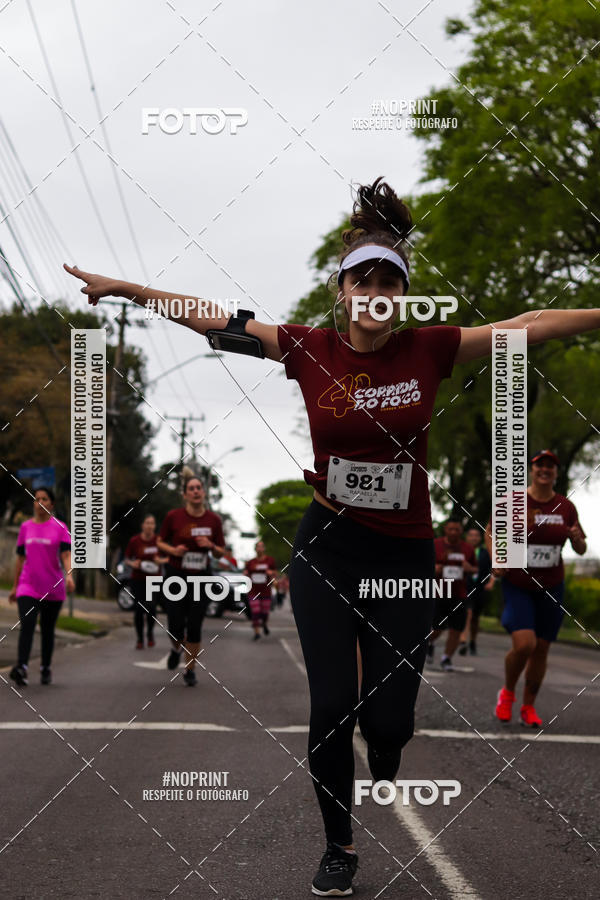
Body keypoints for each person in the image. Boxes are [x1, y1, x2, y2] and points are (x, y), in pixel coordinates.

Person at [64, 176, 600, 896]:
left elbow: (529, 322)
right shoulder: (307, 350)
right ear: (342, 290)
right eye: (362, 280)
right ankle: (339, 845)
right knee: (328, 708)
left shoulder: (431, 350)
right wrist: (126, 288)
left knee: (391, 722)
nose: (375, 293)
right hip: (327, 551)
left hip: (404, 556)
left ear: (400, 296)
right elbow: (209, 316)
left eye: (389, 282)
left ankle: (385, 747)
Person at [486, 450, 587, 728]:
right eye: (540, 466)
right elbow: (492, 531)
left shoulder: (566, 506)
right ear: (532, 470)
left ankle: (528, 707)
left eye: (550, 467)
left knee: (541, 648)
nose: (545, 470)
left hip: (552, 586)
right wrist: (497, 558)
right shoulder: (515, 502)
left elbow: (580, 547)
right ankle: (506, 694)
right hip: (519, 584)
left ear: (555, 472)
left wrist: (577, 539)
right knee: (525, 644)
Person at [156, 476, 225, 686]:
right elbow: (160, 542)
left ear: (204, 492)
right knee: (175, 625)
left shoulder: (214, 520)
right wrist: (174, 550)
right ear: (185, 494)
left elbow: (221, 553)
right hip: (177, 575)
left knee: (195, 625)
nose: (196, 491)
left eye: (199, 488)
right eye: (191, 489)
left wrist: (211, 546)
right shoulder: (174, 517)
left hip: (202, 577)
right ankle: (176, 649)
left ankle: (190, 670)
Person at [8, 487, 74, 686]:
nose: (40, 503)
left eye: (44, 499)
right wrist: (14, 586)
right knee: (27, 626)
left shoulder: (60, 528)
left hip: (53, 589)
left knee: (47, 630)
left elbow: (65, 555)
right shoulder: (25, 527)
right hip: (28, 586)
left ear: (51, 504)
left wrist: (69, 575)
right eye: (36, 499)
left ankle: (46, 667)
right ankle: (22, 668)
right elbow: (20, 558)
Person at [428, 518, 477, 671]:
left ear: (461, 532)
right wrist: (436, 568)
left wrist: (469, 568)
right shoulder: (435, 545)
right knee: (437, 628)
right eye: (451, 529)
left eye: (457, 529)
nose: (454, 532)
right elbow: (424, 566)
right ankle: (429, 643)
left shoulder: (467, 549)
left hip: (459, 594)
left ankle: (446, 659)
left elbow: (476, 569)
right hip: (439, 593)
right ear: (445, 530)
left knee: (456, 629)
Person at [124, 514, 168, 649]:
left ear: (155, 526)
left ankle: (149, 633)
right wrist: (133, 563)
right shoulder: (135, 541)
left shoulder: (159, 541)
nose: (149, 526)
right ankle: (139, 638)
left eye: (152, 523)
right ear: (142, 525)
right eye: (147, 523)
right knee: (138, 609)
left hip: (154, 580)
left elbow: (169, 558)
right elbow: (127, 558)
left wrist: (159, 561)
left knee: (151, 607)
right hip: (137, 579)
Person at [458, 527, 494, 656]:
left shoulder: (485, 552)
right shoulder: (461, 551)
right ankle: (463, 641)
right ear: (466, 537)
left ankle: (472, 640)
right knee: (468, 612)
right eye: (471, 535)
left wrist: (491, 582)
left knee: (475, 618)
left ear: (480, 538)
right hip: (464, 587)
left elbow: (493, 569)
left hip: (480, 587)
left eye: (476, 535)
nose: (474, 538)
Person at [244, 541, 278, 640]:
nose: (259, 548)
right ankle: (257, 633)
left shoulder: (270, 560)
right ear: (255, 549)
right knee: (255, 611)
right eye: (257, 547)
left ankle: (264, 623)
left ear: (264, 548)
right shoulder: (251, 562)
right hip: (253, 591)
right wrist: (245, 573)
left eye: (261, 547)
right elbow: (246, 573)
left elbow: (275, 573)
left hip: (266, 590)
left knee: (264, 613)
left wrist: (271, 572)